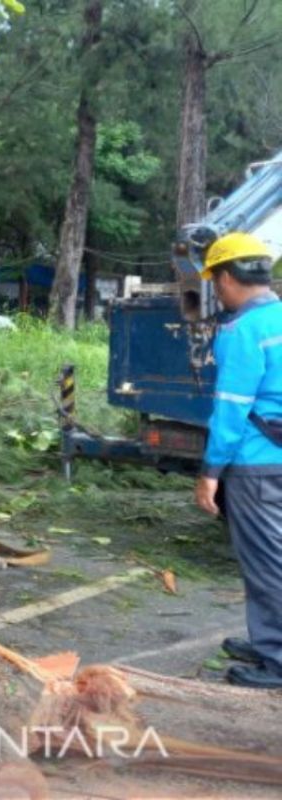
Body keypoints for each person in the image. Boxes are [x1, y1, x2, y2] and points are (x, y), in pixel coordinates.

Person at [192, 232, 282, 689]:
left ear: (226, 277)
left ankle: (278, 659)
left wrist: (209, 473)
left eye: (216, 280)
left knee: (267, 561)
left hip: (256, 462)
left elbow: (229, 409)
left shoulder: (243, 331)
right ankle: (269, 638)